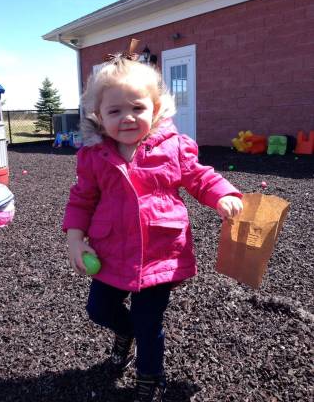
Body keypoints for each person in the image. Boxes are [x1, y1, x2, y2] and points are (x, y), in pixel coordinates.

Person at [63, 52, 243, 402]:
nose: (127, 118)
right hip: (111, 250)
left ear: (155, 107)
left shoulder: (173, 147)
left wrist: (222, 194)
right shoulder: (95, 155)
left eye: (137, 108)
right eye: (115, 111)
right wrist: (74, 239)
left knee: (150, 322)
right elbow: (82, 199)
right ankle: (124, 332)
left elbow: (199, 177)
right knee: (99, 309)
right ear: (99, 116)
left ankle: (150, 376)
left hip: (159, 253)